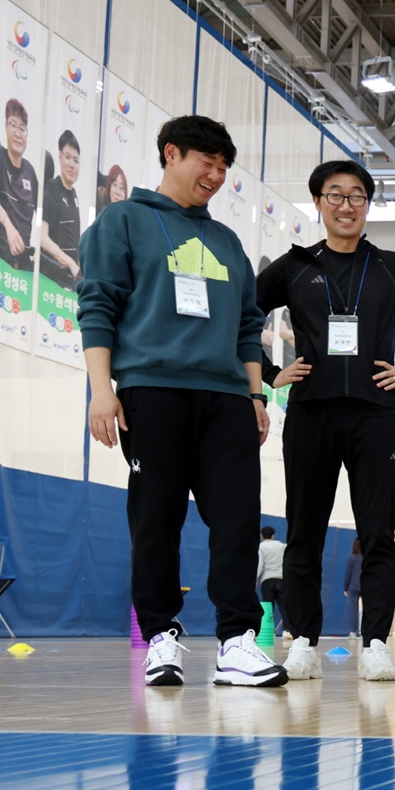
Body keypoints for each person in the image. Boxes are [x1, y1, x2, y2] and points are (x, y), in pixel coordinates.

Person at [81, 114, 282, 688]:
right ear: (171, 153)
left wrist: (254, 394)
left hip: (225, 399)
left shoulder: (226, 242)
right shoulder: (122, 223)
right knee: (156, 518)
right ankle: (161, 636)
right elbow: (98, 308)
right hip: (152, 391)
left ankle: (238, 641)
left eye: (224, 168)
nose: (216, 176)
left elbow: (249, 325)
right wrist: (103, 392)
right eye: (206, 163)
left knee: (238, 520)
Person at [260, 157, 395, 685]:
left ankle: (375, 644)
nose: (345, 205)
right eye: (334, 195)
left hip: (375, 418)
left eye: (356, 196)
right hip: (309, 415)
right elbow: (242, 313)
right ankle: (301, 642)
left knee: (379, 535)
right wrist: (267, 371)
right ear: (318, 204)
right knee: (303, 533)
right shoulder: (294, 267)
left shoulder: (393, 268)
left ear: (367, 205)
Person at [0, 98, 37, 270]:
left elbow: (41, 218)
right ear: (6, 128)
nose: (18, 133)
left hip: (22, 262)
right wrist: (8, 225)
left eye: (22, 128)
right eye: (13, 125)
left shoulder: (30, 172)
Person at [38, 130, 84, 288]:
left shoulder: (74, 195)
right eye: (68, 157)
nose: (72, 165)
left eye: (76, 160)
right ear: (59, 157)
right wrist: (70, 263)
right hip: (52, 278)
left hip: (69, 279)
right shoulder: (51, 188)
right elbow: (42, 239)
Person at [256, 524, 286, 621]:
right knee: (284, 606)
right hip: (281, 579)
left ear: (261, 535)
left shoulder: (261, 547)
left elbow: (260, 565)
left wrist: (255, 578)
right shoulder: (282, 546)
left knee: (268, 607)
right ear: (273, 535)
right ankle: (288, 630)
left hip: (267, 580)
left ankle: (269, 631)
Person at [343, 537, 362, 637]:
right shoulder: (366, 557)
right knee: (367, 610)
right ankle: (365, 631)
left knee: (354, 610)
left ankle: (353, 632)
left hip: (353, 586)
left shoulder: (352, 557)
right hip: (365, 585)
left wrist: (345, 588)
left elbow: (348, 573)